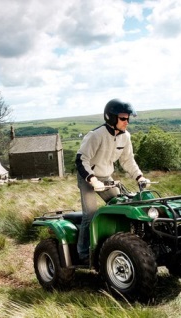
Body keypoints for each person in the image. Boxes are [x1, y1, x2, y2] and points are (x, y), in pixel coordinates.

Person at [75, 98, 149, 263]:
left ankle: (118, 245)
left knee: (122, 205)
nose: (127, 122)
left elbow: (127, 160)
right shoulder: (96, 135)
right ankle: (84, 254)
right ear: (111, 117)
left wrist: (140, 177)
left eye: (128, 118)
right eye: (123, 118)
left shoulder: (126, 137)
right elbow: (81, 160)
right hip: (88, 177)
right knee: (91, 214)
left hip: (106, 177)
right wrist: (93, 180)